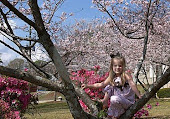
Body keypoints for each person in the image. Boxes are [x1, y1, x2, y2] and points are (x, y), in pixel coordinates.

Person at [81, 53, 142, 119]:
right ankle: (107, 106)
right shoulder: (112, 77)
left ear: (123, 66)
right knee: (109, 88)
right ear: (112, 66)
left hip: (127, 101)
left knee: (113, 98)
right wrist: (88, 86)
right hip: (118, 102)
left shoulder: (125, 74)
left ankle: (114, 111)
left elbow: (132, 84)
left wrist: (139, 95)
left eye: (120, 66)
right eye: (115, 66)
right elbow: (101, 84)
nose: (117, 68)